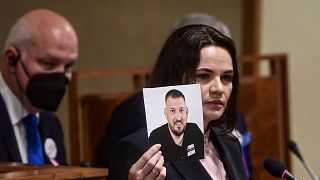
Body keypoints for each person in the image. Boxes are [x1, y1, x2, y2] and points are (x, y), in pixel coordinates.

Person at [108, 25, 248, 179]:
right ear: (176, 78)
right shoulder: (139, 149)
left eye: (226, 78)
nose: (219, 88)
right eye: (204, 76)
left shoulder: (229, 142)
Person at [0, 9, 78, 165]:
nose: (61, 75)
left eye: (68, 66)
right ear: (11, 59)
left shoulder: (51, 124)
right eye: (48, 63)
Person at [149, 89, 204, 163]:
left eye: (181, 110)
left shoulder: (195, 130)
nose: (178, 117)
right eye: (172, 111)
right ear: (166, 113)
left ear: (187, 112)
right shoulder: (155, 137)